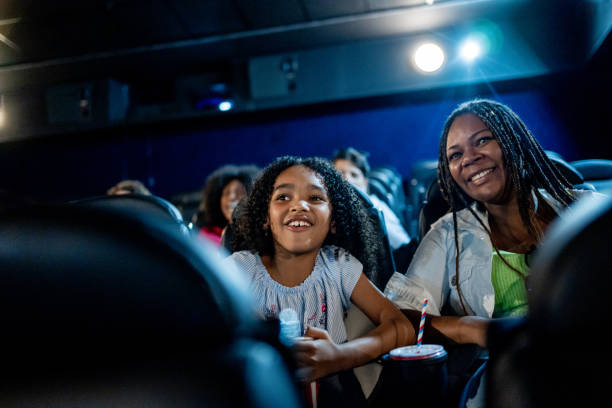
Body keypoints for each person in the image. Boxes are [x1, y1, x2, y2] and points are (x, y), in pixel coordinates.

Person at [384, 99, 592, 347]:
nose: (469, 159)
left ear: (513, 141)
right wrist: (469, 327)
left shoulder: (589, 209)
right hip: (510, 372)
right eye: (456, 154)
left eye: (482, 140)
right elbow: (400, 318)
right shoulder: (448, 233)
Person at [225, 156, 414, 404]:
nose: (299, 206)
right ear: (265, 218)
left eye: (315, 198)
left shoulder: (338, 265)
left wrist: (341, 355)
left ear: (333, 221)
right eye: (283, 197)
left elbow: (402, 327)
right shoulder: (241, 269)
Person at [332, 147, 411, 251]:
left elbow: (404, 246)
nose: (347, 180)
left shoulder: (375, 207)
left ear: (365, 183)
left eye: (354, 175)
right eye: (340, 174)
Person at [192, 164, 260, 245]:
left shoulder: (261, 235)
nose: (232, 197)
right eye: (226, 193)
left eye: (240, 192)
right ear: (217, 200)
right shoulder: (207, 237)